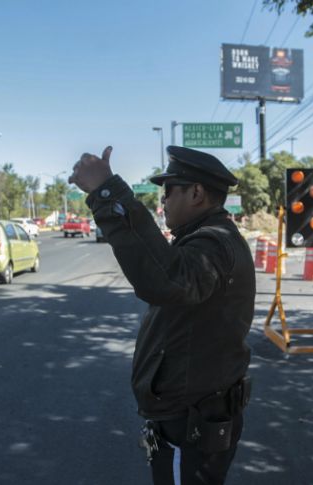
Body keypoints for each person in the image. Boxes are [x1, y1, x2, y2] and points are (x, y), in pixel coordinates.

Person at [69, 145, 256, 485]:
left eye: (168, 191)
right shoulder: (205, 239)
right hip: (192, 415)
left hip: (194, 421)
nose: (163, 201)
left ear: (196, 193)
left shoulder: (213, 244)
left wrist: (106, 191)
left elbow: (164, 279)